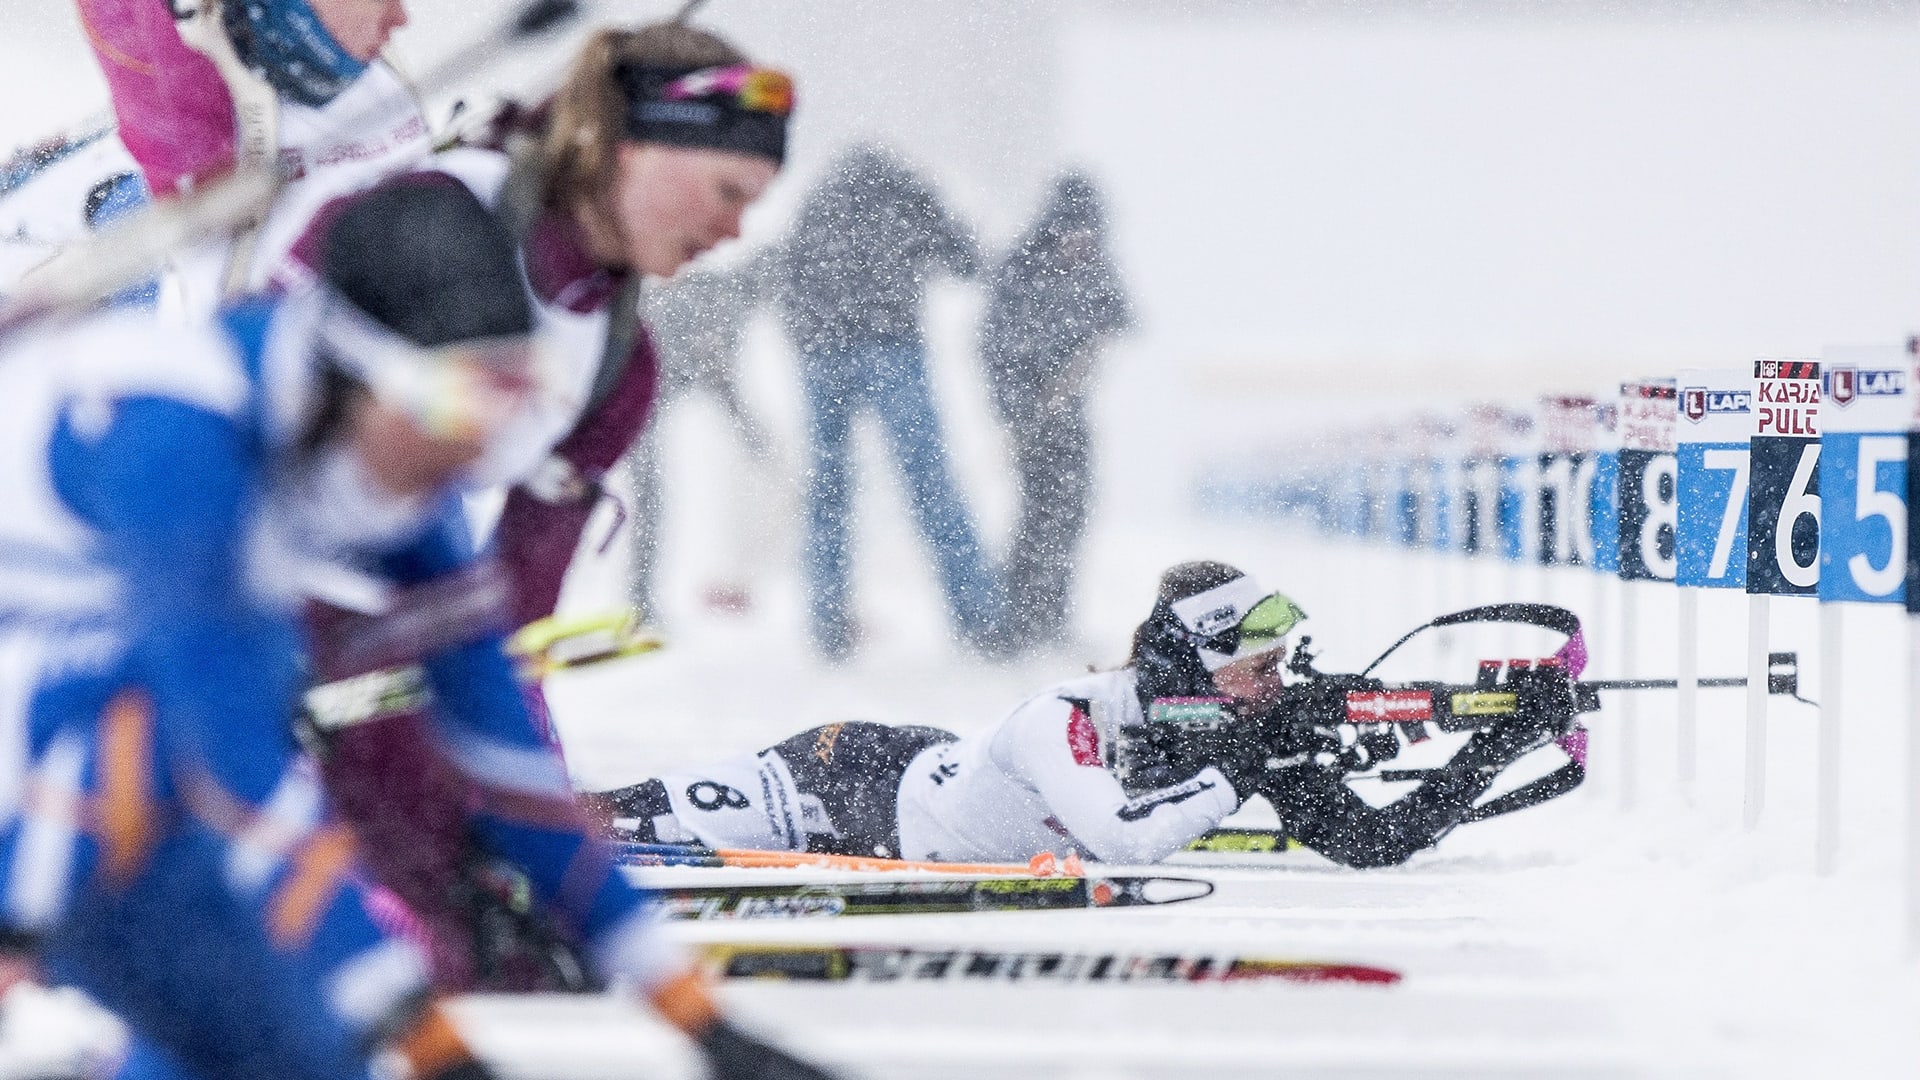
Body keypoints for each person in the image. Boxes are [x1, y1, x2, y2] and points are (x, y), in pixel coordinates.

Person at [0, 181, 828, 1080]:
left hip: (104, 735)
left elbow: (501, 751)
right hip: (66, 729)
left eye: (515, 398)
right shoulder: (175, 436)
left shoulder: (391, 452)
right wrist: (423, 1034)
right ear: (357, 370)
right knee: (158, 724)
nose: (477, 448)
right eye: (461, 404)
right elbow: (227, 754)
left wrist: (697, 1016)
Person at [585, 561, 1582, 868]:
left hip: (931, 785)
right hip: (843, 783)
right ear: (1195, 664)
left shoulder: (1246, 730)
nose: (1280, 688)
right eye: (1260, 669)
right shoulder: (1062, 716)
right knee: (595, 819)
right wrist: (1245, 765)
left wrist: (1498, 739)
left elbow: (1373, 842)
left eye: (1284, 668)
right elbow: (1121, 839)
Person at [771, 143, 1003, 661]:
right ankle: (979, 617)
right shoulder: (906, 193)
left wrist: (807, 336)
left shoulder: (821, 198)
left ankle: (827, 623)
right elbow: (965, 261)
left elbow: (787, 276)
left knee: (829, 489)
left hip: (821, 350)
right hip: (891, 345)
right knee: (929, 481)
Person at [978, 171, 1132, 651]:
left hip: (1069, 413)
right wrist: (1017, 408)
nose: (1079, 243)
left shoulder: (1093, 270)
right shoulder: (1022, 268)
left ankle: (1052, 614)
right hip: (1028, 414)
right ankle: (1016, 617)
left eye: (1088, 234)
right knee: (1038, 515)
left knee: (1072, 509)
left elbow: (1121, 313)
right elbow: (993, 344)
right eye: (1073, 232)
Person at [624, 258, 779, 624]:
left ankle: (641, 601)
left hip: (653, 391)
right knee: (649, 496)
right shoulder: (724, 303)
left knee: (650, 499)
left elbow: (717, 376)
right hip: (638, 395)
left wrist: (749, 431)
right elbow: (717, 373)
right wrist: (749, 430)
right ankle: (640, 602)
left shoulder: (724, 298)